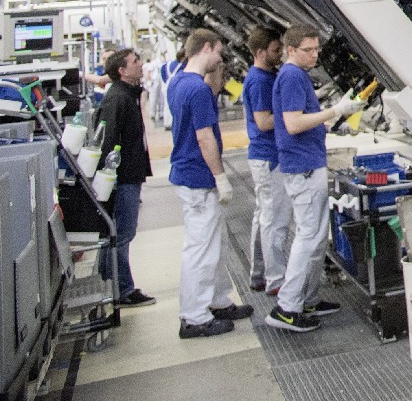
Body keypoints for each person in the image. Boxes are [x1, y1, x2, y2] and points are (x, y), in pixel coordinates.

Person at [266, 26, 361, 333]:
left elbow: (301, 118)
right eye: (308, 50)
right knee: (308, 237)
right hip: (303, 167)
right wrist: (335, 110)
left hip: (307, 162)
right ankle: (287, 308)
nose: (315, 55)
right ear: (291, 50)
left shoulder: (295, 76)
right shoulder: (292, 76)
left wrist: (329, 125)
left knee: (317, 237)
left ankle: (307, 299)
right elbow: (293, 124)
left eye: (317, 49)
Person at [166, 29, 254, 338]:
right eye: (218, 51)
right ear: (206, 48)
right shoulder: (197, 89)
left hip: (188, 173)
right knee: (200, 249)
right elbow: (205, 138)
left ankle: (217, 301)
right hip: (198, 178)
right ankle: (193, 317)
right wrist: (220, 177)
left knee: (216, 244)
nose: (220, 58)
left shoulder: (177, 81)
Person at [94, 47, 154, 307]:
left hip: (129, 174)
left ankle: (112, 286)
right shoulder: (118, 99)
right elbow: (107, 142)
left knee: (118, 235)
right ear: (122, 71)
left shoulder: (126, 96)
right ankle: (121, 290)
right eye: (135, 61)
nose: (140, 64)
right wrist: (112, 179)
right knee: (121, 235)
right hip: (123, 177)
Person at [242, 26, 291, 294]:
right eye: (275, 50)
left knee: (263, 217)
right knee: (275, 220)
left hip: (263, 156)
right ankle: (276, 280)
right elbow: (263, 122)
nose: (280, 53)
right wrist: (295, 115)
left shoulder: (264, 76)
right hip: (268, 157)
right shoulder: (260, 80)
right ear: (260, 52)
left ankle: (259, 274)